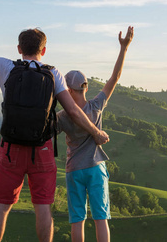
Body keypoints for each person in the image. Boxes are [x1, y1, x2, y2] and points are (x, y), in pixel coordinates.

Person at [0, 18, 110, 242]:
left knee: (2, 206)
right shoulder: (53, 74)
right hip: (41, 150)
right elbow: (72, 110)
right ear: (44, 50)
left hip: (10, 149)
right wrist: (96, 132)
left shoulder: (6, 67)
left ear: (19, 49)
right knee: (43, 207)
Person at [56, 26, 134, 242]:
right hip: (96, 167)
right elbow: (115, 77)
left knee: (77, 220)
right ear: (85, 88)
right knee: (101, 218)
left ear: (69, 91)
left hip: (74, 170)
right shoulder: (97, 105)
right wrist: (124, 48)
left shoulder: (62, 116)